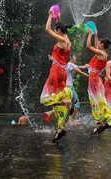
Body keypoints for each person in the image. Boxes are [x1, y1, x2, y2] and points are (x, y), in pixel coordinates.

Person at [40, 9, 73, 143]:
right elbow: (59, 29)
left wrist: (49, 16)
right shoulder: (67, 40)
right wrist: (58, 18)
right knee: (58, 96)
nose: (56, 30)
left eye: (57, 29)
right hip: (63, 72)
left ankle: (66, 102)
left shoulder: (60, 39)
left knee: (45, 98)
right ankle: (60, 129)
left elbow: (48, 29)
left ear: (59, 31)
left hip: (55, 71)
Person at [86, 28, 111, 135]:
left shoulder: (101, 54)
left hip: (94, 80)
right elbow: (95, 45)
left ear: (102, 45)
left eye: (99, 42)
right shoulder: (102, 52)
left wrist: (89, 34)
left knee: (96, 101)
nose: (97, 43)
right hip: (95, 78)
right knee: (97, 101)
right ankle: (99, 124)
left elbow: (89, 46)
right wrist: (95, 36)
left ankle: (103, 121)